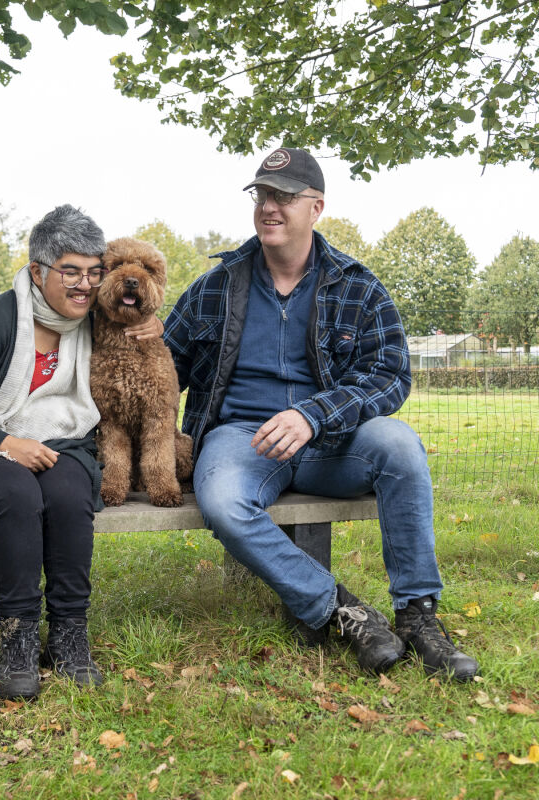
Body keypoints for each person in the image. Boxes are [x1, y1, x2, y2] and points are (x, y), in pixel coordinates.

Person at [163, 147, 478, 682]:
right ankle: (343, 611)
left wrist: (314, 415)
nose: (270, 207)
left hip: (332, 441)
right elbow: (163, 363)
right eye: (262, 195)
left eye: (284, 197)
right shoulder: (216, 285)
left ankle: (418, 616)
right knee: (221, 500)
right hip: (242, 439)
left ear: (317, 208)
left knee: (400, 446)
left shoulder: (356, 285)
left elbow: (390, 375)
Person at [0, 205, 161, 700]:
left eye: (94, 273)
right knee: (15, 492)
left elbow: (141, 316)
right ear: (38, 270)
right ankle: (19, 635)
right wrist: (8, 443)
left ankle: (70, 633)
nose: (84, 284)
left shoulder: (95, 319)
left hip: (61, 443)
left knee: (72, 493)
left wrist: (157, 329)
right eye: (70, 271)